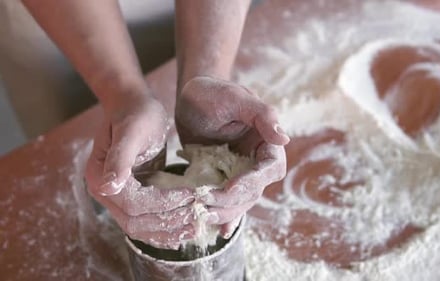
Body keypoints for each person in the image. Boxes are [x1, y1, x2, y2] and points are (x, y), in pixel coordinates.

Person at [20, 0, 290, 249]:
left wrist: (208, 76)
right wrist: (123, 99)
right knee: (76, 142)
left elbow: (206, 83)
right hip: (64, 18)